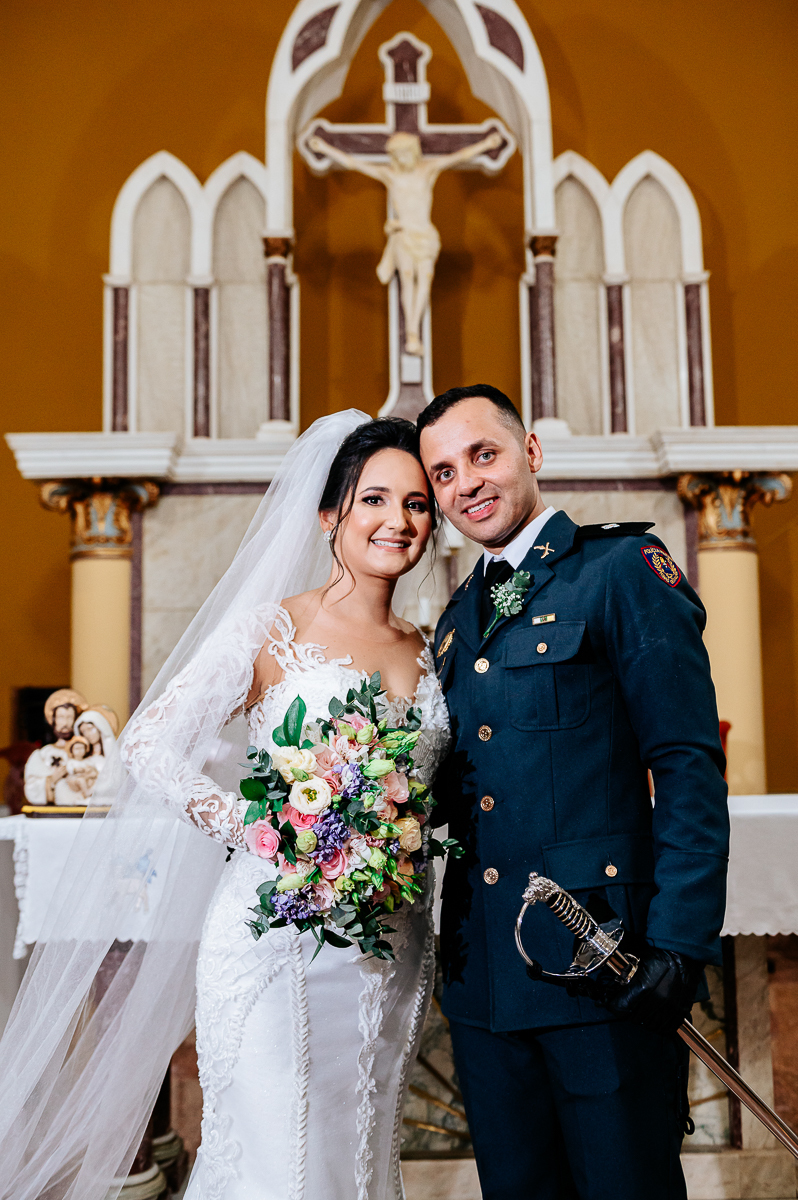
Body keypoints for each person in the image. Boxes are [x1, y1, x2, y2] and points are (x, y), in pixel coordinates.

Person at [0, 412, 451, 1200]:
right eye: (375, 499)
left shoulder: (429, 646)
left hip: (391, 941)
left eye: (417, 504)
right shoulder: (272, 629)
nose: (399, 521)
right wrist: (260, 828)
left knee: (363, 1145)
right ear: (329, 514)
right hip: (274, 938)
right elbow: (149, 744)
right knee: (280, 1154)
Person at [417, 384, 730, 1200]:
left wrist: (680, 949)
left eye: (483, 455)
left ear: (532, 454)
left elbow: (689, 763)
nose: (467, 483)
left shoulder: (622, 572)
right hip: (486, 983)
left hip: (605, 969)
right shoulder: (456, 620)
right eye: (444, 472)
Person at [307, 129, 502, 355]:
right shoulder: (391, 175)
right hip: (403, 234)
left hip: (425, 234)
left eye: (403, 154)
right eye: (396, 156)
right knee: (407, 278)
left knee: (425, 279)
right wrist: (325, 148)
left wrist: (487, 144)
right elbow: (353, 163)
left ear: (413, 152)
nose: (400, 159)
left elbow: (459, 156)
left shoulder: (428, 170)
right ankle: (412, 333)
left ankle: (414, 330)